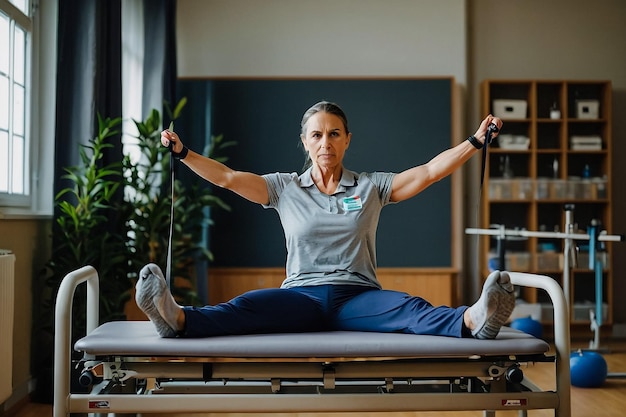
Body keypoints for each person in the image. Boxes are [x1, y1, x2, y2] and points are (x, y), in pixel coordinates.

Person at [136, 100, 514, 340]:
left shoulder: (370, 187)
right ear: (305, 141)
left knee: (411, 308)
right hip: (300, 295)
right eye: (316, 135)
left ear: (347, 139)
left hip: (359, 297)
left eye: (334, 134)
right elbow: (227, 177)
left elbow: (429, 171)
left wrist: (475, 142)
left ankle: (475, 320)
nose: (325, 143)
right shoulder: (283, 188)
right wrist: (183, 153)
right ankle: (176, 318)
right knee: (244, 307)